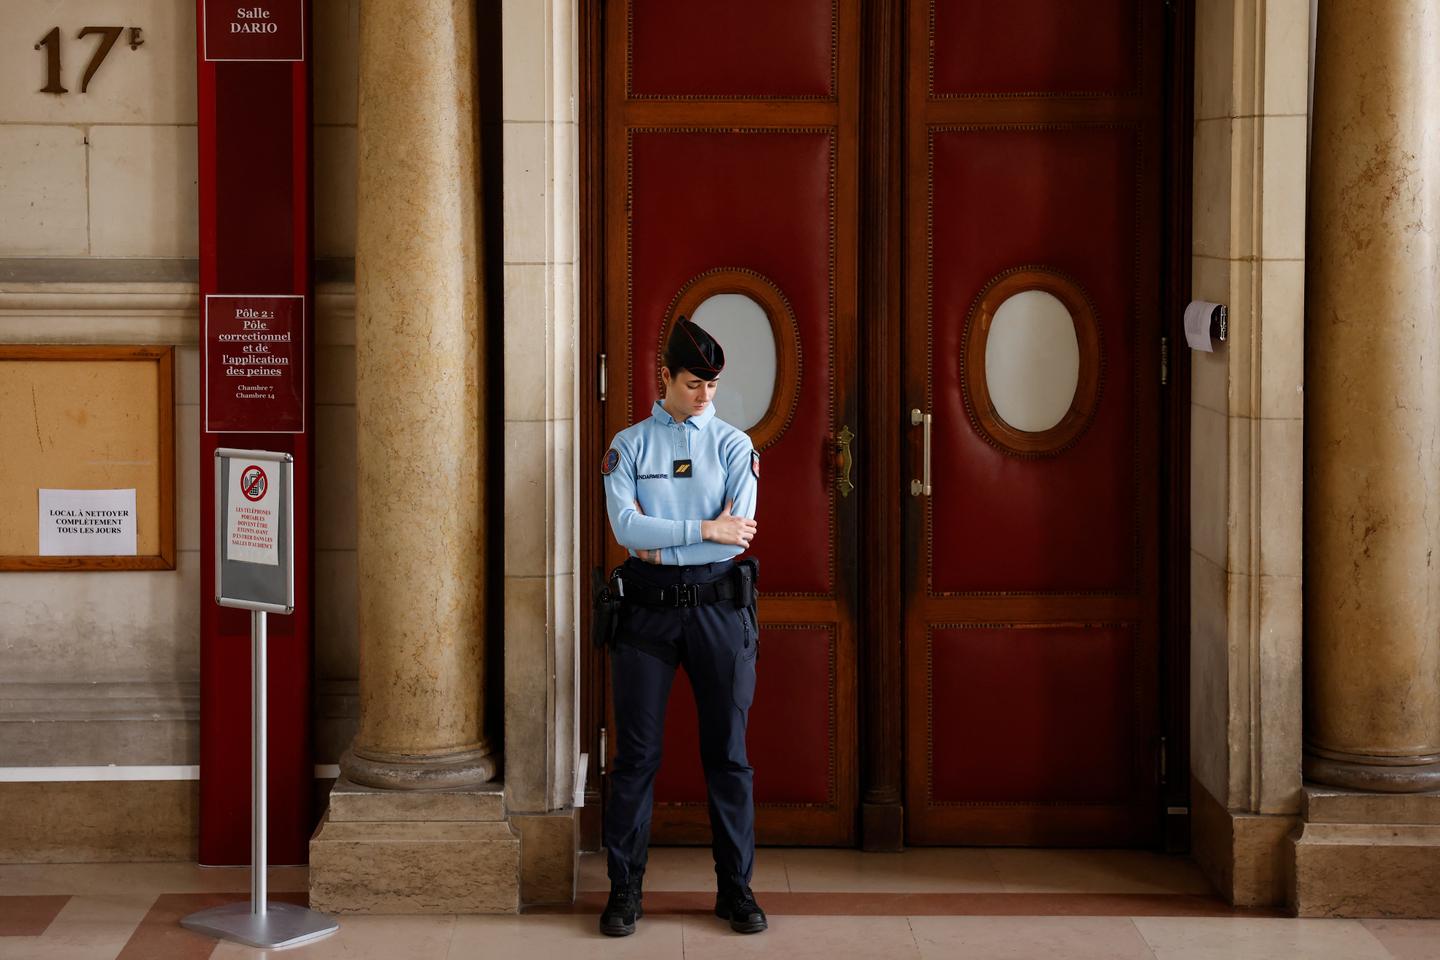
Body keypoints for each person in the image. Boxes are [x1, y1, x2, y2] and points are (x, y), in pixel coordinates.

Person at [597, 316, 766, 937]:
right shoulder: (630, 445)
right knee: (637, 757)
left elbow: (737, 534)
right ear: (663, 376)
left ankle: (736, 890)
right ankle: (624, 891)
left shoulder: (734, 446)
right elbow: (625, 531)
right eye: (694, 383)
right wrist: (701, 531)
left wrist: (663, 542)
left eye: (713, 386)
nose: (705, 397)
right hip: (645, 615)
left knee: (728, 754)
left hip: (720, 613)